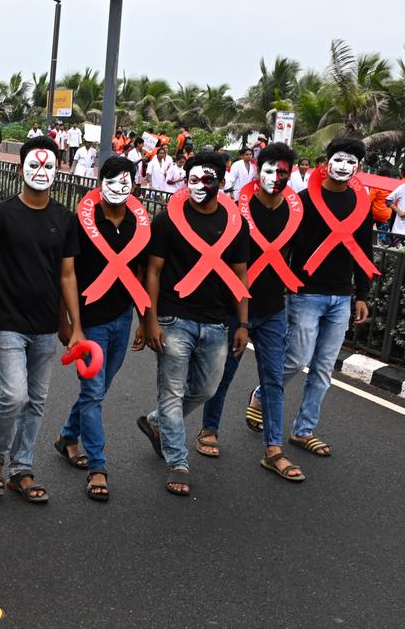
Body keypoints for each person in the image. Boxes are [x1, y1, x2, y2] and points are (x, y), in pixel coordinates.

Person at [247, 137, 374, 458]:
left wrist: (362, 294)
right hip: (304, 293)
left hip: (341, 296)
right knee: (297, 359)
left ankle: (303, 430)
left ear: (359, 167)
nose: (344, 167)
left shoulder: (361, 205)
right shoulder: (302, 202)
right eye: (339, 160)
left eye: (351, 162)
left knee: (323, 369)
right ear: (326, 161)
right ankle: (262, 394)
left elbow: (364, 251)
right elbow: (284, 246)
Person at [137, 152, 249, 496]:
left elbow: (239, 274)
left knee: (206, 389)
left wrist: (242, 323)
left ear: (222, 180)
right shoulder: (168, 221)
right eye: (194, 179)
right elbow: (152, 271)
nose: (201, 186)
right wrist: (150, 319)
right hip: (174, 319)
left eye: (208, 179)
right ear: (185, 179)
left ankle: (156, 422)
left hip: (216, 323)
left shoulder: (235, 225)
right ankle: (178, 462)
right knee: (171, 392)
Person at [0, 134, 83, 504]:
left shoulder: (64, 218)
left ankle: (21, 468)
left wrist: (75, 325)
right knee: (14, 395)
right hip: (6, 322)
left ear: (60, 170)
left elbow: (67, 275)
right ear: (20, 167)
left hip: (45, 327)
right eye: (34, 164)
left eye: (49, 165)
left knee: (37, 401)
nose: (41, 171)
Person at [193, 142, 304, 481]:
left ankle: (273, 450)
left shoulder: (294, 213)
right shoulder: (236, 211)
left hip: (272, 309)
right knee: (223, 376)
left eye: (283, 171)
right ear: (257, 170)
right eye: (269, 170)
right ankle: (208, 430)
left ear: (290, 174)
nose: (276, 177)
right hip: (233, 308)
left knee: (273, 380)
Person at [58, 156, 147, 500]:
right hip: (89, 323)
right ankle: (97, 465)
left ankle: (67, 435)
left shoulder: (139, 224)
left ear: (134, 185)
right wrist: (67, 323)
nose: (118, 187)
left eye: (125, 181)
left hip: (122, 318)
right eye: (111, 180)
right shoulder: (81, 222)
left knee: (99, 389)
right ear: (99, 182)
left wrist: (143, 318)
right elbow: (65, 273)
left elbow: (140, 272)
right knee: (93, 393)